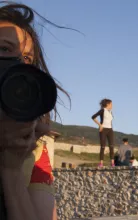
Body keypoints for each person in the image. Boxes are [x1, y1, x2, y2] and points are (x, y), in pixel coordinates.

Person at [0, 2, 71, 219]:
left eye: (28, 59)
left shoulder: (35, 148)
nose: (19, 64)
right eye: (3, 49)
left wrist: (11, 168)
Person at [92, 98, 115, 167]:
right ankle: (101, 163)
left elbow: (110, 121)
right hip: (103, 129)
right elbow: (93, 117)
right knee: (103, 146)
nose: (112, 105)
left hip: (110, 130)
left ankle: (112, 163)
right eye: (111, 104)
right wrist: (100, 125)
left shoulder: (110, 112)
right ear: (108, 104)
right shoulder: (102, 110)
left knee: (111, 146)